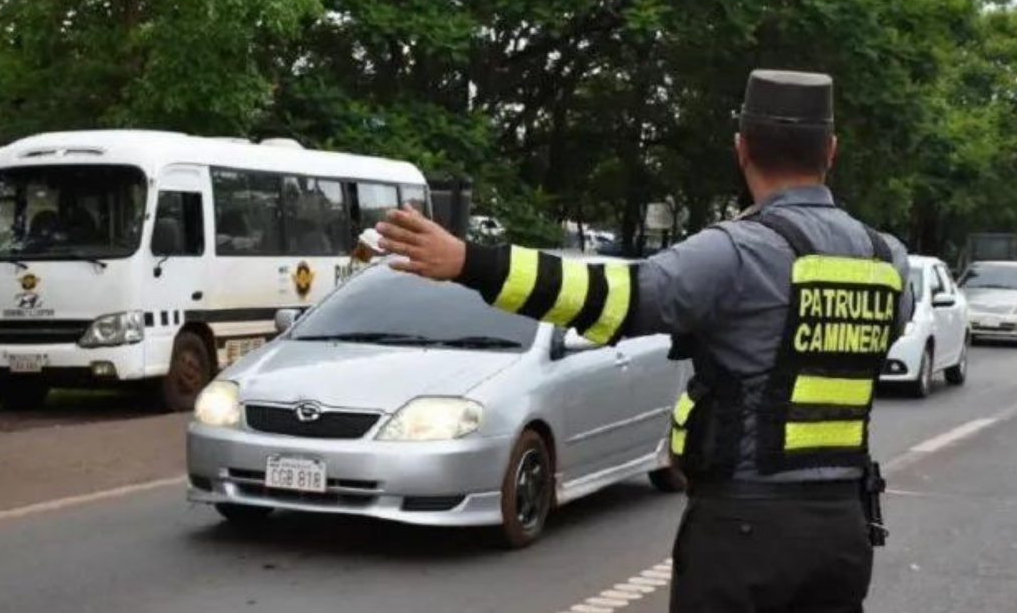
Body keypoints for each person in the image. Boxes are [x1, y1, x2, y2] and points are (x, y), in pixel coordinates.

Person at [376, 69, 913, 613]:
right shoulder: (886, 257)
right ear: (832, 151)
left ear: (741, 147)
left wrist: (471, 262)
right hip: (842, 530)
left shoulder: (738, 252)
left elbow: (616, 298)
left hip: (745, 530)